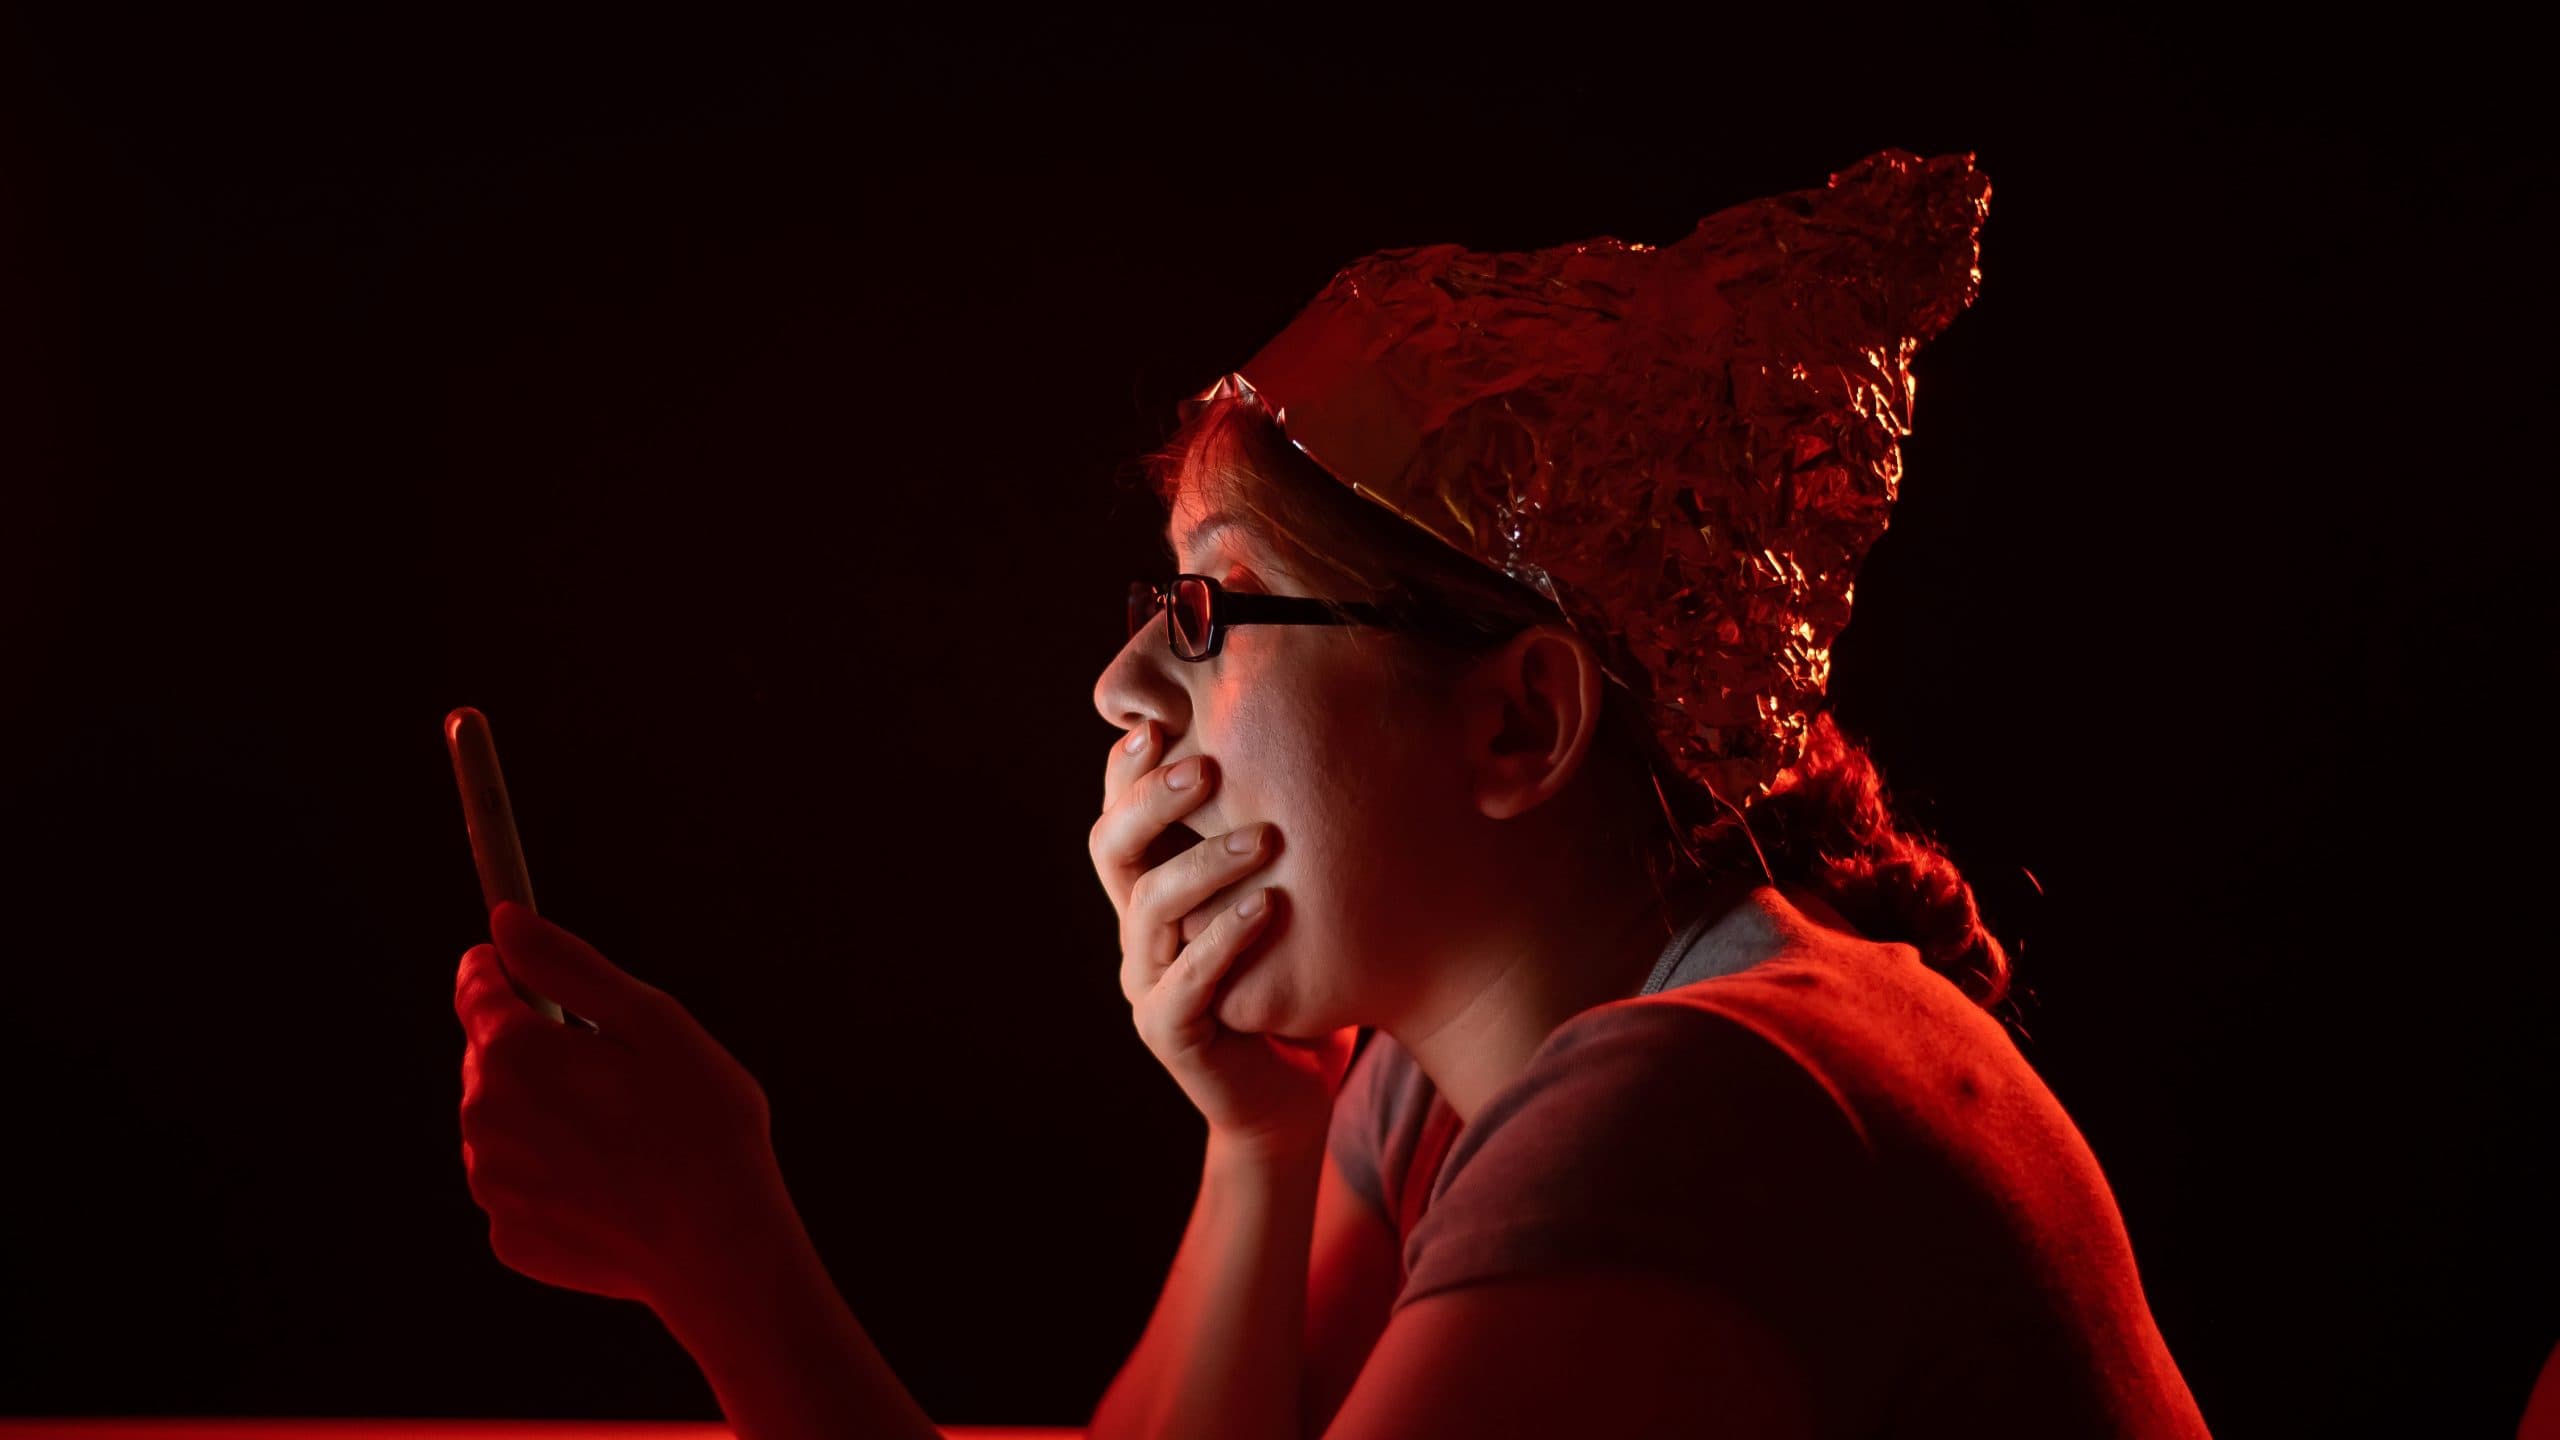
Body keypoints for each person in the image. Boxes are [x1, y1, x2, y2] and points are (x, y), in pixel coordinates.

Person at [453, 149, 2211, 1438]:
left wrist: (726, 1267)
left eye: (1208, 609)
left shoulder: (1694, 1104)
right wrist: (1258, 1137)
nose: (1123, 686)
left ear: (1521, 726)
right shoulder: (1444, 1083)